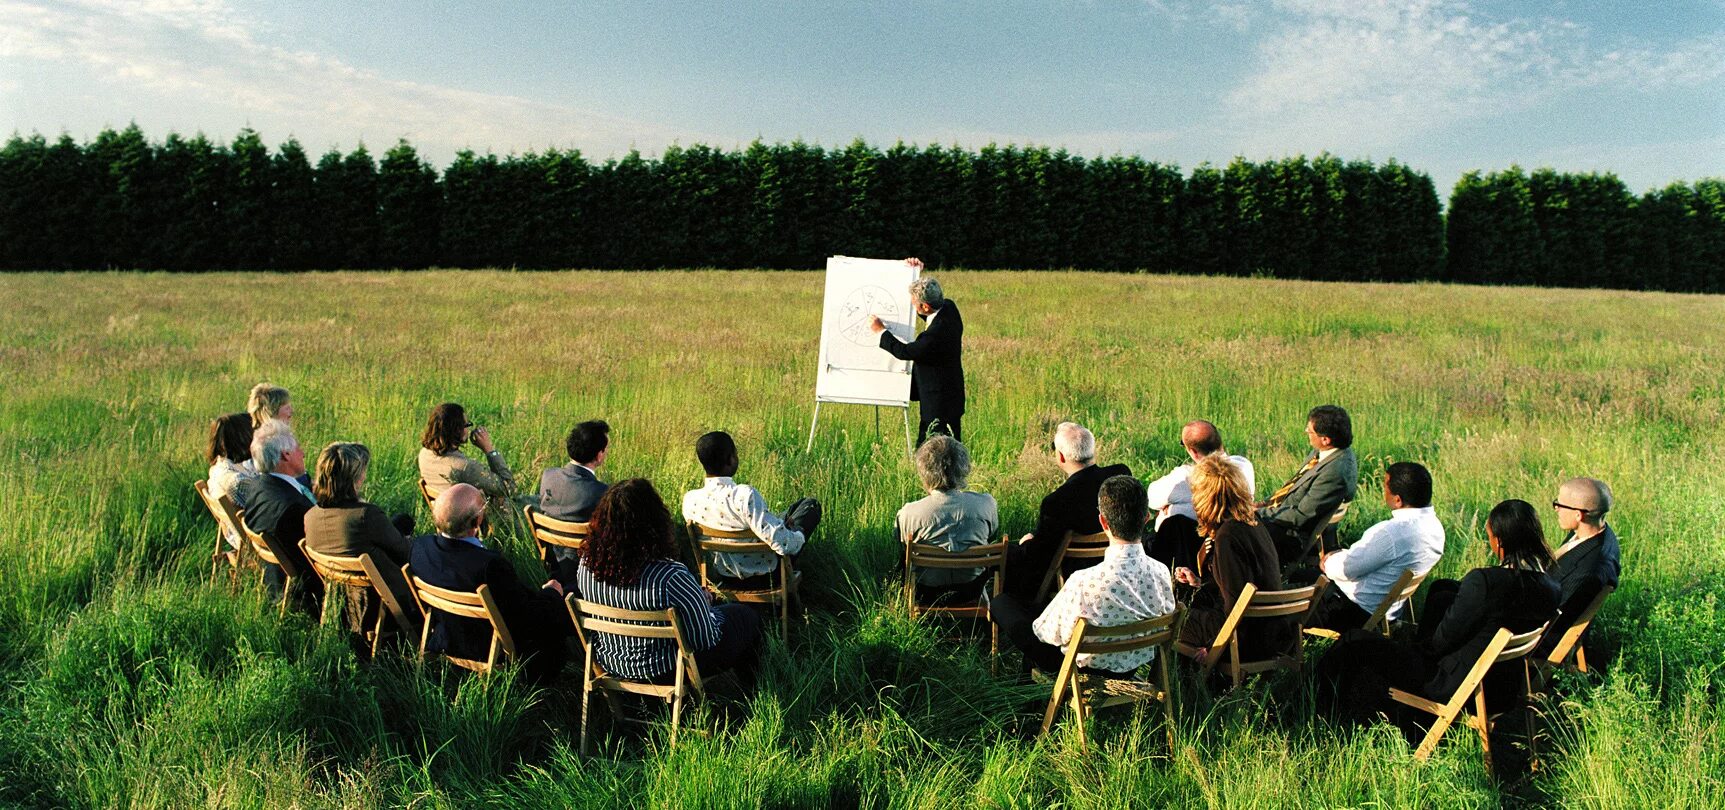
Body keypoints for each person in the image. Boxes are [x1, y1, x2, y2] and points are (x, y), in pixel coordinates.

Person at [1316, 500, 1561, 733]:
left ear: (1499, 541)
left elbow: (1441, 642)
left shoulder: (1486, 581)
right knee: (1443, 590)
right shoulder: (1552, 588)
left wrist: (1410, 651)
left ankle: (1320, 711)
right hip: (1500, 690)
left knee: (1353, 640)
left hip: (1450, 685)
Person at [578, 479, 762, 685]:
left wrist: (695, 601)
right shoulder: (670, 576)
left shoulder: (585, 567)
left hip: (613, 663)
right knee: (746, 616)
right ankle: (753, 692)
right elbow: (705, 640)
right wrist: (705, 607)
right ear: (655, 523)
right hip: (665, 670)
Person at [991, 475, 1176, 674]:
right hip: (1133, 663)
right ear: (1146, 518)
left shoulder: (1083, 581)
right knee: (1037, 610)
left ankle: (1030, 685)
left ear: (1103, 522)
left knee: (1001, 604)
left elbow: (1046, 634)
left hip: (1083, 669)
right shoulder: (1161, 572)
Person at [409, 484, 571, 686]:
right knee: (559, 608)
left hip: (445, 638)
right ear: (477, 520)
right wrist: (551, 594)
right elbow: (527, 618)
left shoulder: (420, 547)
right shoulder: (490, 566)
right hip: (486, 646)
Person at [1175, 454, 1293, 664]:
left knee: (1169, 621)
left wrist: (1213, 647)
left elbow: (1235, 607)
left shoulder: (1227, 538)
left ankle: (1175, 687)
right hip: (1271, 630)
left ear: (1203, 497)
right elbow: (1240, 586)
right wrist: (1200, 583)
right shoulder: (1250, 523)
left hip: (1248, 638)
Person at [1305, 462, 1445, 633]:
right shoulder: (1436, 527)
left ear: (1398, 500)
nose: (1383, 491)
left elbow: (1345, 570)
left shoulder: (1391, 533)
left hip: (1355, 611)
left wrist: (1328, 561)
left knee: (1293, 596)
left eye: (1385, 487)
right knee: (1308, 574)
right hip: (1387, 611)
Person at [1004, 422, 1131, 601]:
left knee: (1009, 552)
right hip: (1117, 567)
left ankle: (1016, 607)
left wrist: (1026, 544)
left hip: (1075, 575)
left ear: (1061, 457)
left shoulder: (1056, 502)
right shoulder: (1120, 475)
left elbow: (1040, 555)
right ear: (1092, 450)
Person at [303, 442, 417, 634]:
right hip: (382, 604)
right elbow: (405, 553)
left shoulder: (310, 517)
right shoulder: (365, 516)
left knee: (401, 522)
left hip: (345, 604)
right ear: (354, 479)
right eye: (362, 472)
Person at [681, 431, 820, 587]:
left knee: (787, 514)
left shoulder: (690, 500)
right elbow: (782, 544)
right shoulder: (744, 495)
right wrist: (798, 534)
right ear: (730, 460)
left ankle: (780, 525)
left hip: (726, 575)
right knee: (810, 506)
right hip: (764, 574)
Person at [868, 260, 965, 444]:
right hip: (952, 396)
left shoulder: (932, 338)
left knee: (930, 448)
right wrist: (915, 274)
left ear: (926, 307)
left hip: (938, 403)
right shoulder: (950, 308)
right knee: (952, 447)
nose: (913, 306)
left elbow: (905, 351)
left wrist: (880, 330)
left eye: (915, 304)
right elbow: (929, 310)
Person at [896, 434, 999, 604]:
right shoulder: (987, 504)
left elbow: (901, 547)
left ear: (924, 471)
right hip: (972, 589)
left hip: (927, 593)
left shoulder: (908, 513)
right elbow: (992, 534)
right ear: (963, 468)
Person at [1145, 420, 1254, 573]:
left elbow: (1152, 497)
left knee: (1173, 523)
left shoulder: (1186, 477)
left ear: (1193, 452)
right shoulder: (1243, 466)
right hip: (1233, 546)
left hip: (1197, 549)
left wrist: (1172, 509)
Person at [1257, 404, 1359, 564]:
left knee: (1232, 531)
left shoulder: (1335, 472)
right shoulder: (1325, 452)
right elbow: (1292, 486)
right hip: (1281, 515)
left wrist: (1259, 513)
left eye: (1310, 430)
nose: (1306, 432)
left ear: (1325, 439)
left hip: (1290, 534)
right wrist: (1263, 503)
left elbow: (1301, 516)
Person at [234, 420, 320, 603]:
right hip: (304, 593)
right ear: (286, 455)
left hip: (272, 580)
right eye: (298, 449)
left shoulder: (258, 487)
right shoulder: (292, 508)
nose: (303, 454)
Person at [1540, 477, 1621, 657]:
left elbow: (1552, 616)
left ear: (1579, 514)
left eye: (1559, 505)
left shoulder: (1589, 571)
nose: (1557, 510)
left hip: (1542, 641)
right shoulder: (1595, 533)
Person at [538, 419, 611, 577]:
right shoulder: (601, 492)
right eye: (605, 450)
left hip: (554, 559)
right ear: (599, 456)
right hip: (583, 567)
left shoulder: (548, 476)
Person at [418, 402, 515, 501]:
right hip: (475, 515)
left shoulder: (424, 454)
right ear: (457, 430)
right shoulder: (465, 467)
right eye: (467, 425)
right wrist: (490, 450)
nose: (468, 429)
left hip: (445, 511)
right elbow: (509, 488)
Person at [205, 412, 257, 548]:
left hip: (236, 536)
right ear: (244, 439)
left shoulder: (218, 467)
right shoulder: (237, 482)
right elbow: (268, 507)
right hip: (255, 542)